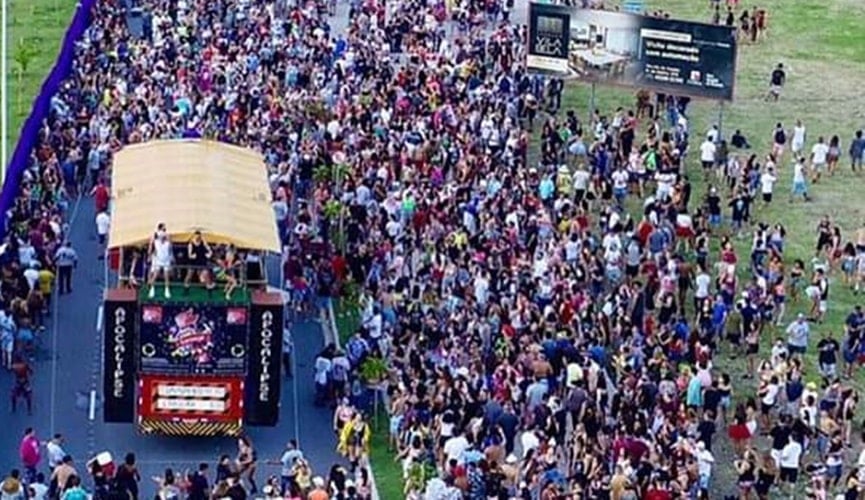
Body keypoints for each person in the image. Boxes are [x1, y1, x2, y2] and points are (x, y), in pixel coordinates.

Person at [147, 224, 173, 299]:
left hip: (166, 260)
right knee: (155, 275)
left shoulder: (168, 239)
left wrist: (166, 237)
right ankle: (152, 289)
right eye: (163, 230)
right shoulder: (155, 240)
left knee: (166, 276)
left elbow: (170, 246)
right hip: (158, 260)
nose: (164, 231)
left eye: (165, 230)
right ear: (159, 230)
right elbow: (151, 245)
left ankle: (167, 290)